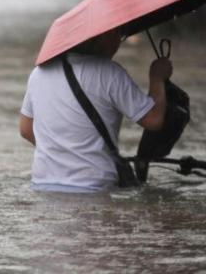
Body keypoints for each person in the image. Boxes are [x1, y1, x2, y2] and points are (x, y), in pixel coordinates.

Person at [19, 30, 173, 192]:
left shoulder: (38, 73)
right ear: (97, 38)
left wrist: (64, 150)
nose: (118, 42)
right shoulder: (110, 73)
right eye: (115, 35)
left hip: (42, 186)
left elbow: (26, 129)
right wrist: (157, 78)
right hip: (93, 189)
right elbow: (153, 119)